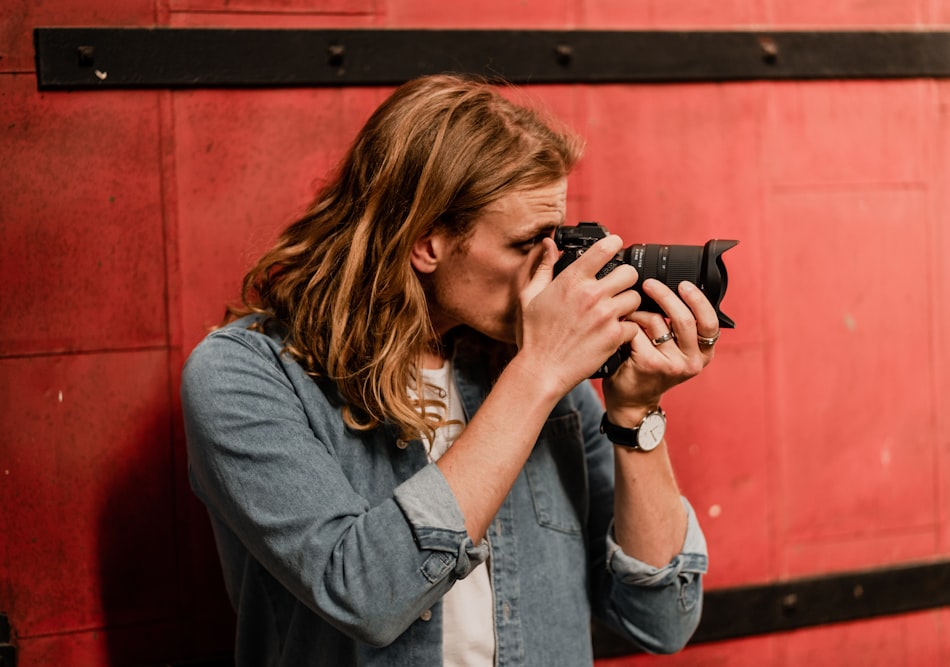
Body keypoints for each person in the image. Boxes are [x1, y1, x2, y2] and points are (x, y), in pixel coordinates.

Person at [181, 74, 718, 667]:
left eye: (557, 237)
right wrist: (538, 373)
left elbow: (661, 620)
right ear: (425, 242)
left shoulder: (530, 367)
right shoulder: (244, 376)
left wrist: (633, 415)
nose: (556, 269)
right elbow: (366, 597)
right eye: (526, 243)